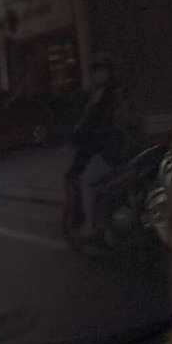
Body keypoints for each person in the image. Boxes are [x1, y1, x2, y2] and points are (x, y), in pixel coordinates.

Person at [64, 57, 124, 237]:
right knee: (75, 177)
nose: (98, 74)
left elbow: (104, 126)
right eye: (96, 71)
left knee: (86, 181)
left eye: (102, 70)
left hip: (109, 150)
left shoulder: (112, 96)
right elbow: (84, 123)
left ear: (109, 73)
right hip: (95, 147)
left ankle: (90, 226)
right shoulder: (94, 95)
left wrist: (84, 137)